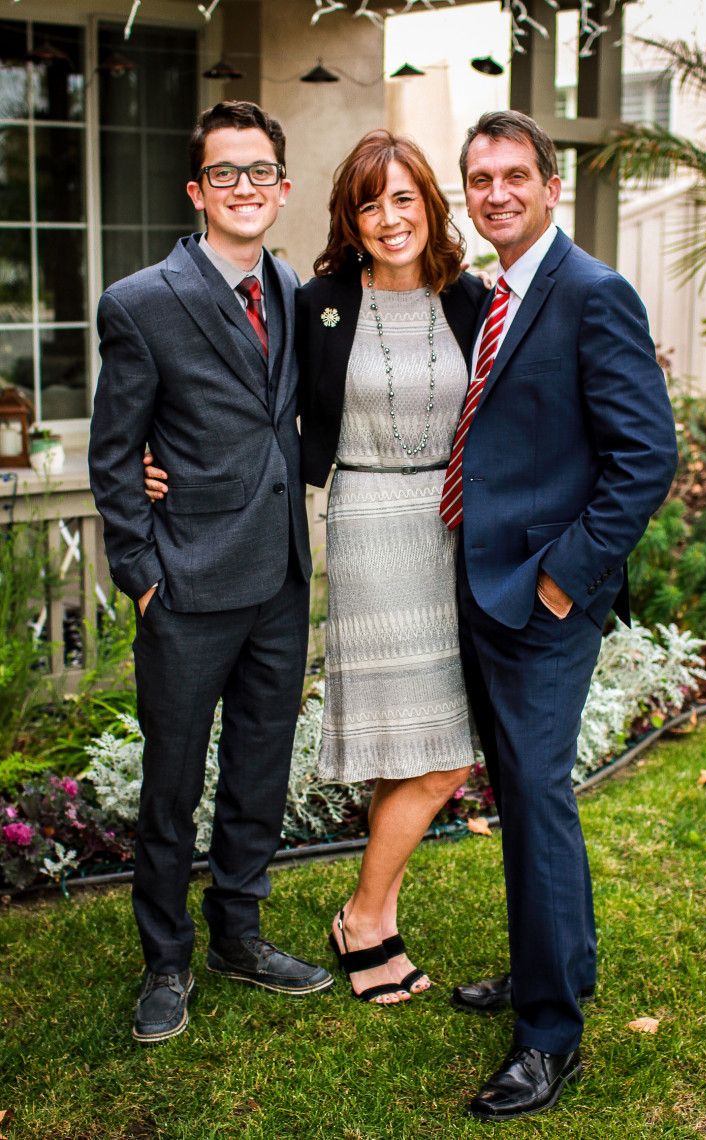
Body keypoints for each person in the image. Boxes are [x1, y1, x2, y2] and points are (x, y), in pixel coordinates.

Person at [146, 130, 488, 1004]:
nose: (389, 217)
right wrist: (164, 467)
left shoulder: (472, 299)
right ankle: (368, 920)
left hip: (451, 529)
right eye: (370, 203)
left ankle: (369, 911)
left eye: (404, 197)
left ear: (430, 205)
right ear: (350, 217)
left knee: (442, 747)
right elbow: (255, 403)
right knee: (404, 741)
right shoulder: (319, 299)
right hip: (368, 526)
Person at [444, 110, 679, 1120]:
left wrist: (559, 580)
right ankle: (558, 967)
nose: (494, 192)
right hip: (480, 583)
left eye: (511, 176)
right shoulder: (493, 295)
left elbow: (645, 457)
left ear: (549, 185)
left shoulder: (590, 292)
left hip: (540, 599)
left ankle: (547, 1037)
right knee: (523, 798)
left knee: (536, 802)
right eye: (478, 179)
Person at [88, 100, 333, 1046]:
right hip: (186, 585)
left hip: (279, 577)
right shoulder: (141, 301)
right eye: (223, 173)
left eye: (259, 171)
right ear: (198, 190)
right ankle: (166, 957)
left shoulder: (297, 291)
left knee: (260, 774)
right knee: (172, 784)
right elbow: (117, 457)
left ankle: (240, 931)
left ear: (281, 186)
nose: (243, 188)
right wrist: (144, 572)